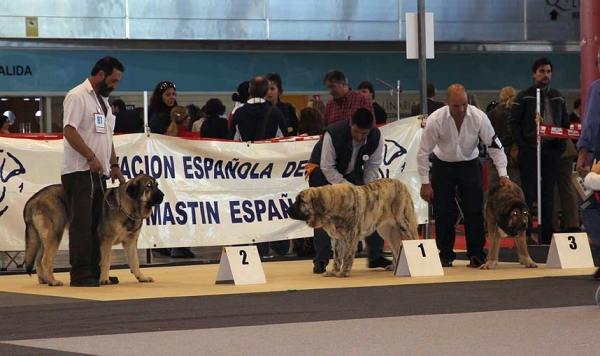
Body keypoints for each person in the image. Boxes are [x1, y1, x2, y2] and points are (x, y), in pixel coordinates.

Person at [417, 84, 512, 268]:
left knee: (474, 210)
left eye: (464, 104)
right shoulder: (435, 120)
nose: (461, 109)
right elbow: (422, 153)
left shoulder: (479, 117)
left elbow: (495, 146)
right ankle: (445, 254)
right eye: (456, 106)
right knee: (444, 211)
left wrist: (503, 175)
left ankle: (476, 253)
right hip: (442, 165)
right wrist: (424, 183)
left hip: (469, 164)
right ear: (446, 103)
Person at [61, 56, 126, 287]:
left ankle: (98, 272)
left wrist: (114, 165)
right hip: (79, 172)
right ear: (100, 74)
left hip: (99, 173)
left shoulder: (105, 104)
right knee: (81, 224)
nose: (115, 85)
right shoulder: (78, 96)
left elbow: (107, 138)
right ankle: (80, 274)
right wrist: (90, 157)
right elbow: (69, 131)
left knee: (97, 224)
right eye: (113, 80)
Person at [307, 108, 391, 274]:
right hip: (322, 174)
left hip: (352, 173)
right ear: (350, 124)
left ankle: (375, 255)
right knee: (322, 216)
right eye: (356, 132)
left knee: (370, 207)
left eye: (364, 133)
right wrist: (349, 190)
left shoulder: (376, 136)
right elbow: (328, 167)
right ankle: (321, 260)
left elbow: (372, 166)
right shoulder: (333, 133)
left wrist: (366, 189)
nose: (360, 137)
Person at [508, 57, 570, 245]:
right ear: (534, 74)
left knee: (548, 193)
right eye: (542, 71)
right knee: (528, 192)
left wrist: (560, 146)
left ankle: (547, 234)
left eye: (549, 71)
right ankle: (525, 232)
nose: (546, 75)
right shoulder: (524, 97)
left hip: (551, 150)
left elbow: (565, 123)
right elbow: (513, 123)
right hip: (530, 151)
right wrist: (523, 146)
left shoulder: (558, 97)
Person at [228, 76, 288, 258]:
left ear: (249, 91)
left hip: (247, 172)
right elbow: (285, 143)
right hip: (272, 171)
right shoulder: (276, 113)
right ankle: (281, 244)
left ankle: (258, 246)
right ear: (266, 92)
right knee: (274, 207)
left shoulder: (238, 114)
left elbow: (232, 144)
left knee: (253, 208)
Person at [576, 48, 600, 278]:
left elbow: (592, 123)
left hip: (598, 162)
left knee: (587, 204)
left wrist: (582, 155)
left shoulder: (597, 88)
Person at [228, 76, 287, 142]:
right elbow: (283, 140)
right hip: (269, 151)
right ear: (267, 91)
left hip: (246, 151)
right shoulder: (276, 113)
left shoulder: (239, 113)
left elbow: (233, 141)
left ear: (249, 90)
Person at [486, 86, 520, 188]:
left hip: (494, 158)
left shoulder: (491, 114)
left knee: (494, 191)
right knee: (513, 192)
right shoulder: (517, 114)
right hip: (513, 158)